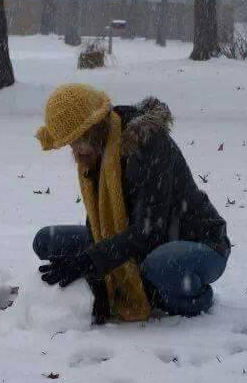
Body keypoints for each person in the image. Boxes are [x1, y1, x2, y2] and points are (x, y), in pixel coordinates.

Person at [32, 84, 231, 324]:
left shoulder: (148, 144)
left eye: (76, 140)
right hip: (137, 243)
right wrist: (97, 278)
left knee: (160, 266)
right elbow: (98, 222)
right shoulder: (98, 151)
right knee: (47, 241)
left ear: (94, 128)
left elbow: (148, 231)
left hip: (195, 242)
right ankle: (148, 283)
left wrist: (92, 260)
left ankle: (195, 298)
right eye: (69, 144)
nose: (74, 151)